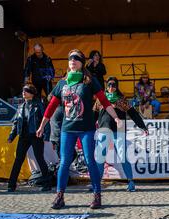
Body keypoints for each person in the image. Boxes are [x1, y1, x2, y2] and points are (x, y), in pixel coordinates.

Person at [36, 49, 122, 210]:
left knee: (90, 161)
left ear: (82, 63)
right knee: (64, 162)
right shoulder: (62, 83)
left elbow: (104, 101)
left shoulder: (89, 81)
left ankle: (97, 196)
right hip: (67, 129)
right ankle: (59, 196)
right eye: (70, 58)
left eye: (76, 58)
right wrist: (42, 125)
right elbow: (51, 106)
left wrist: (116, 118)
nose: (72, 60)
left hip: (86, 129)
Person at [95, 76, 148, 192]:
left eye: (113, 85)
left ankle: (131, 182)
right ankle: (96, 183)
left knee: (123, 156)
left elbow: (133, 114)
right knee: (100, 157)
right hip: (103, 130)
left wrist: (142, 126)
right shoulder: (100, 99)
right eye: (109, 85)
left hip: (119, 131)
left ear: (117, 86)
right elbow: (93, 114)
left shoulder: (122, 100)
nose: (111, 87)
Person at [7, 84, 51, 192]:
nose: (23, 93)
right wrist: (11, 136)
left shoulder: (39, 105)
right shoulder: (21, 107)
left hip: (35, 135)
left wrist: (46, 135)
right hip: (23, 136)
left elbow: (45, 120)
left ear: (31, 93)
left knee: (39, 158)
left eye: (26, 91)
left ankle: (47, 184)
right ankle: (11, 185)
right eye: (23, 91)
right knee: (18, 160)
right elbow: (16, 122)